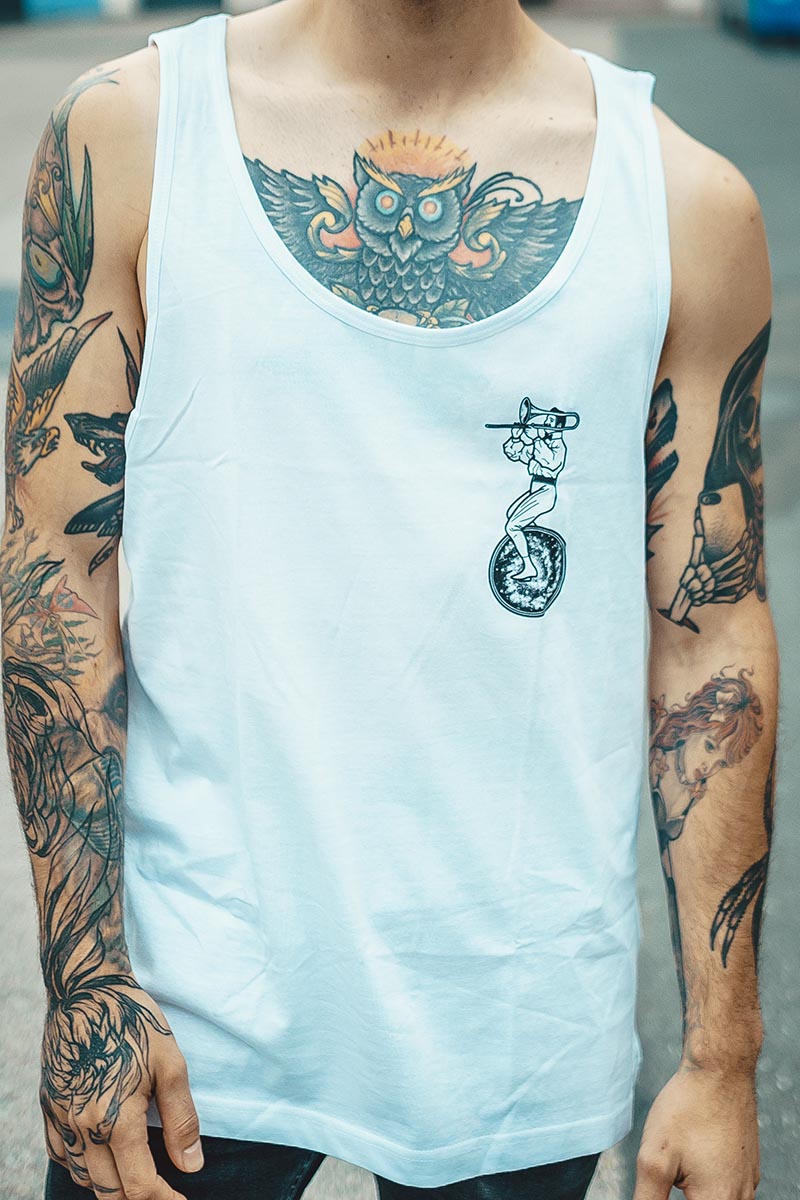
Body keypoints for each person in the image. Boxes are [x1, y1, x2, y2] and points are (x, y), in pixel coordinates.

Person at [1, 1, 779, 1199]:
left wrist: (721, 1057)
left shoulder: (684, 203)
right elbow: (55, 565)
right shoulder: (135, 131)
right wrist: (87, 982)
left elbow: (707, 634)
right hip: (189, 1002)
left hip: (519, 1018)